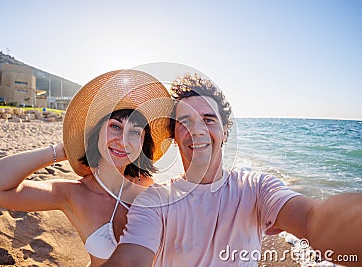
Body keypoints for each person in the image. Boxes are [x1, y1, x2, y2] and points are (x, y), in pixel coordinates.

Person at [102, 73, 362, 267]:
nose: (198, 129)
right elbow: (131, 259)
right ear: (173, 135)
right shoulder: (154, 201)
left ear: (225, 131)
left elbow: (313, 220)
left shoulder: (256, 188)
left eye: (208, 119)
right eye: (185, 121)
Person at [0, 69, 173, 267]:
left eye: (135, 132)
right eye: (115, 127)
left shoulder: (151, 190)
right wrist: (60, 151)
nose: (123, 141)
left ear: (144, 143)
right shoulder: (73, 194)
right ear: (96, 133)